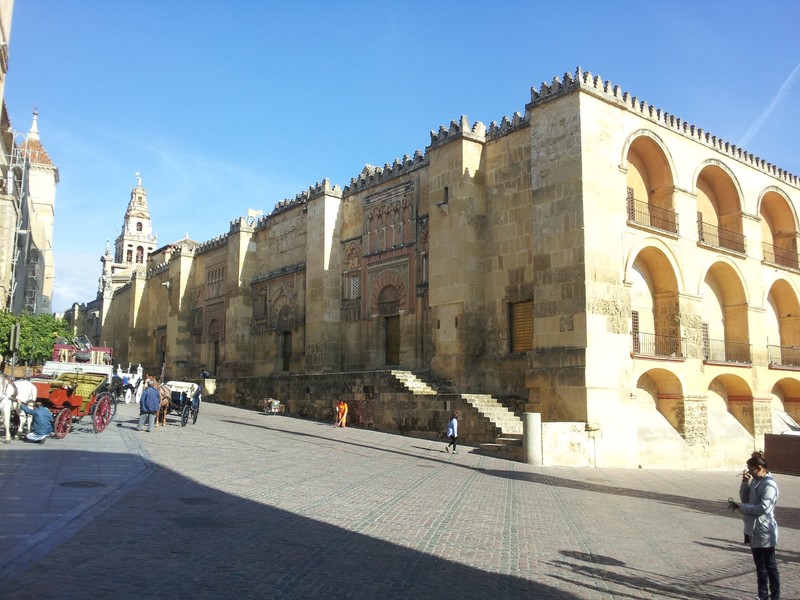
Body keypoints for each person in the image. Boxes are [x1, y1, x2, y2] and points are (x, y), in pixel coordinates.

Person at [728, 451, 780, 600]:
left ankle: (774, 596)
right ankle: (762, 596)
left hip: (764, 530)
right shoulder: (756, 481)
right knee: (760, 567)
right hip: (753, 529)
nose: (749, 472)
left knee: (769, 566)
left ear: (760, 468)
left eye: (751, 470)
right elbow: (746, 499)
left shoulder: (769, 484)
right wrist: (744, 483)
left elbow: (764, 508)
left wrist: (741, 508)